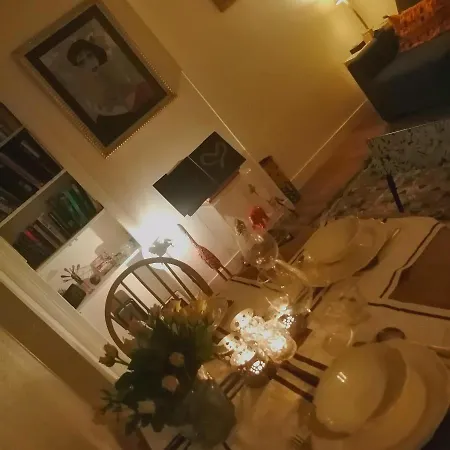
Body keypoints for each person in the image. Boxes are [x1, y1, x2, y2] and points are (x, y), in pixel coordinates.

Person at [66, 39, 164, 143]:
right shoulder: (102, 118)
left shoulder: (123, 72)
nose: (89, 63)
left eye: (90, 56)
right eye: (82, 62)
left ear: (96, 54)